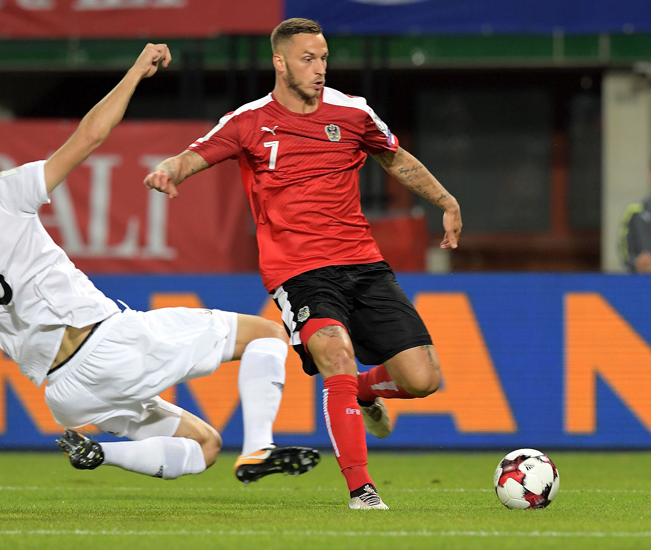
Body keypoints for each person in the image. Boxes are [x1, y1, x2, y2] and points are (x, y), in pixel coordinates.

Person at [143, 18, 461, 510]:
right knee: (336, 353)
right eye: (308, 59)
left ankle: (357, 391)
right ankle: (363, 490)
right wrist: (169, 169)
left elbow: (394, 159)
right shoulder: (249, 120)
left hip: (363, 262)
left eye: (324, 58)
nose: (319, 69)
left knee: (422, 379)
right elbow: (196, 155)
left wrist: (446, 201)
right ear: (280, 62)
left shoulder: (352, 112)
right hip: (299, 272)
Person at [0, 44, 320, 484]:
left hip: (64, 394)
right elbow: (89, 136)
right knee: (268, 333)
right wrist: (133, 73)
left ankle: (100, 453)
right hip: (106, 346)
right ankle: (258, 448)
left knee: (203, 446)